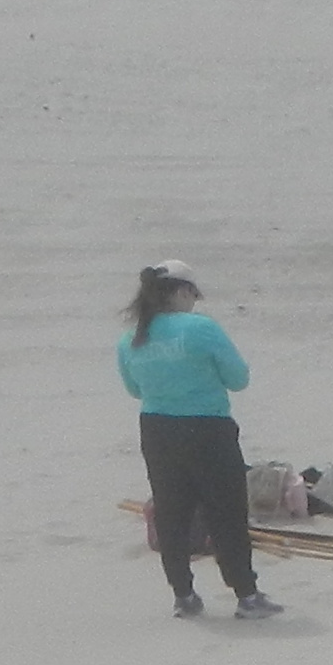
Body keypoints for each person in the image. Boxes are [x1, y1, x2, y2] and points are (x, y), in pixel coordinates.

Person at [117, 263, 276, 618]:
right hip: (207, 428)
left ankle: (184, 596)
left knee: (172, 513)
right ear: (180, 291)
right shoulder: (200, 328)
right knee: (227, 513)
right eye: (192, 294)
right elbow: (238, 378)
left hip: (156, 429)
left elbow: (133, 389)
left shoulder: (131, 337)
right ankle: (246, 595)